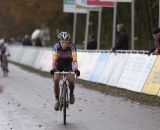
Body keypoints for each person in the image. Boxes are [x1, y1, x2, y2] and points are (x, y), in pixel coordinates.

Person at [50, 32, 80, 111]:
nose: (64, 44)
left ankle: (71, 94)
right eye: (62, 42)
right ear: (59, 42)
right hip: (59, 63)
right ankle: (57, 100)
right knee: (56, 80)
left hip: (69, 63)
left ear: (68, 42)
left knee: (71, 80)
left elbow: (74, 60)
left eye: (66, 42)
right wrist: (53, 69)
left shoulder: (72, 47)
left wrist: (76, 69)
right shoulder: (56, 46)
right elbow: (54, 60)